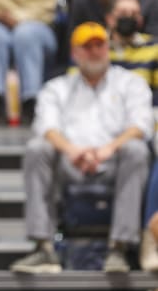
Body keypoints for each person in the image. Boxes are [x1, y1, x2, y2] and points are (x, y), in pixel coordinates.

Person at [9, 22, 152, 274]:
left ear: (108, 48)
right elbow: (46, 126)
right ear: (75, 53)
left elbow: (141, 125)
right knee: (36, 148)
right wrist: (72, 151)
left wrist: (108, 149)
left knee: (137, 150)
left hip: (114, 162)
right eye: (87, 47)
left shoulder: (130, 83)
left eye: (100, 45)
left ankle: (119, 248)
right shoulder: (57, 87)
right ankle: (44, 248)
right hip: (69, 163)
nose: (95, 51)